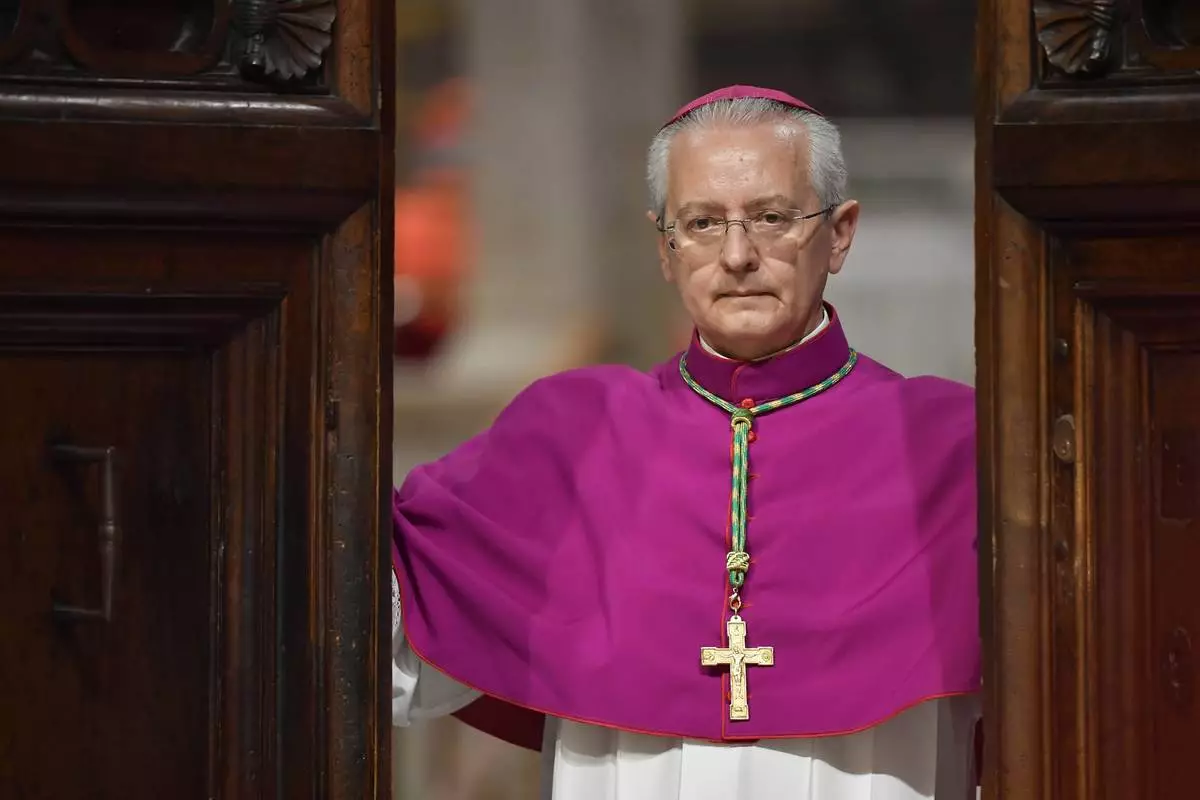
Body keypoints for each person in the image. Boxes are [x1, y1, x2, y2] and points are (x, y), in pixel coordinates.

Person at [391, 85, 980, 800]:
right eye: (701, 223)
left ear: (840, 233)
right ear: (665, 250)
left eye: (771, 217)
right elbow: (383, 626)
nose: (736, 255)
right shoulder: (569, 435)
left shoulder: (952, 445)